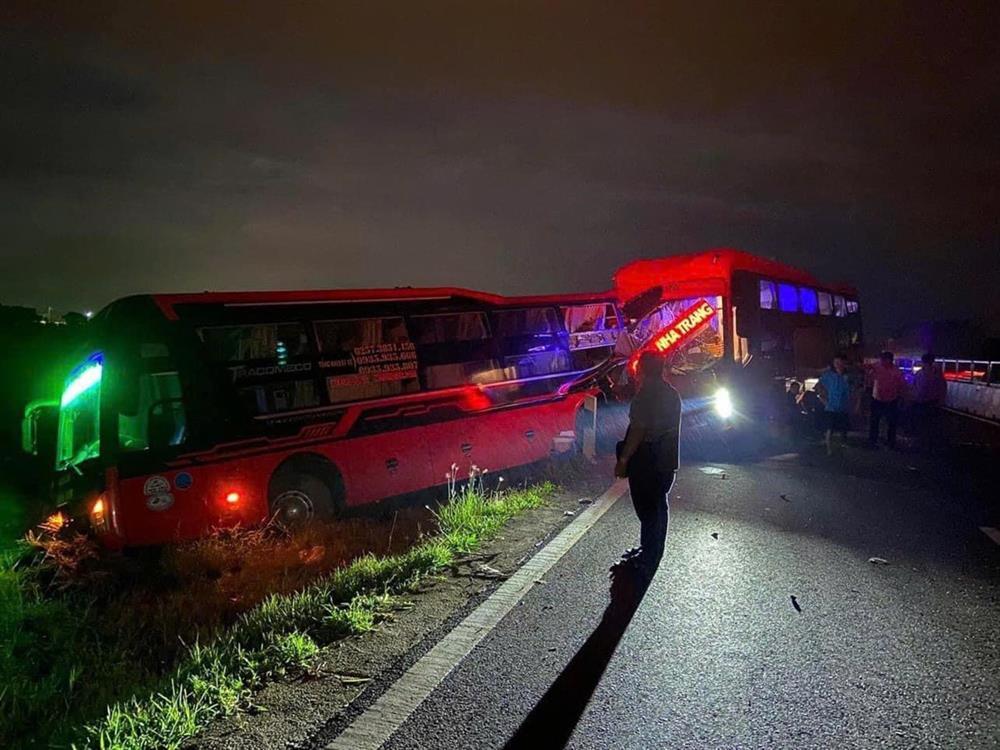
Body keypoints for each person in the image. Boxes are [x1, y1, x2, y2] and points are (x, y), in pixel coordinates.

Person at [614, 352, 682, 583]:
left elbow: (638, 431)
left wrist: (623, 460)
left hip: (647, 461)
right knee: (658, 505)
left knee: (646, 508)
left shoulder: (645, 396)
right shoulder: (672, 394)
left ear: (640, 369)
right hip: (667, 461)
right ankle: (651, 551)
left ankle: (648, 557)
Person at [910, 352, 947, 451]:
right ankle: (926, 444)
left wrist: (912, 397)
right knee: (928, 424)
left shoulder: (921, 373)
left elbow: (914, 386)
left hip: (924, 402)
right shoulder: (936, 374)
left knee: (923, 423)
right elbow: (943, 388)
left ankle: (923, 443)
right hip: (929, 402)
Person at [816, 354, 852, 455]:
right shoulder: (828, 375)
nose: (838, 365)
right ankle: (829, 449)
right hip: (831, 407)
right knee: (829, 429)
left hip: (844, 406)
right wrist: (822, 398)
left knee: (844, 428)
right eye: (836, 362)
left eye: (840, 362)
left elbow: (852, 390)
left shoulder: (847, 376)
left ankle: (843, 444)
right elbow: (818, 386)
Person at [869, 350, 905, 448]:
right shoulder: (876, 366)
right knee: (874, 422)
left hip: (891, 400)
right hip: (877, 399)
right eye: (882, 360)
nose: (883, 362)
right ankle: (872, 441)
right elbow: (865, 369)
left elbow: (901, 385)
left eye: (885, 360)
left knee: (892, 423)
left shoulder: (896, 371)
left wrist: (902, 397)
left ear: (890, 360)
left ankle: (891, 442)